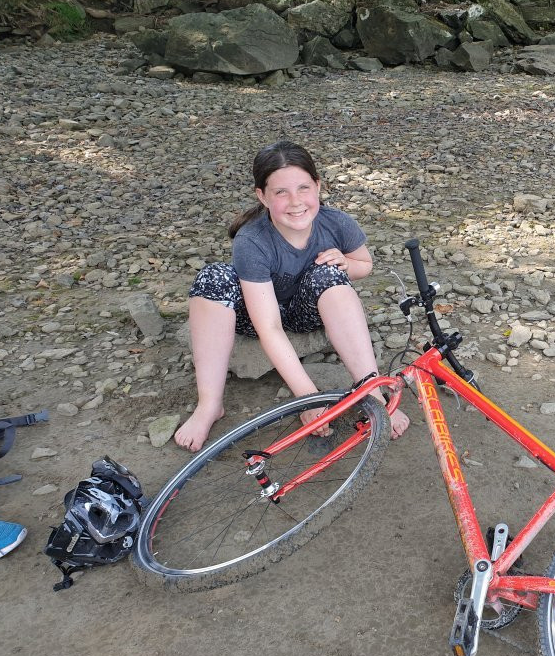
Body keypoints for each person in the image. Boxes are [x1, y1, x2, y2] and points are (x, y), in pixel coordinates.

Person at [175, 140, 410, 452]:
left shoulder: (336, 222)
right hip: (257, 314)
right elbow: (268, 327)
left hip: (308, 312)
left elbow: (365, 265)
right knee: (212, 277)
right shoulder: (252, 240)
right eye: (281, 192)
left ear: (318, 186)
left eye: (303, 188)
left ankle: (371, 390)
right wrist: (308, 397)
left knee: (330, 272)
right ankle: (209, 404)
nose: (295, 201)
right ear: (262, 196)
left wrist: (346, 264)